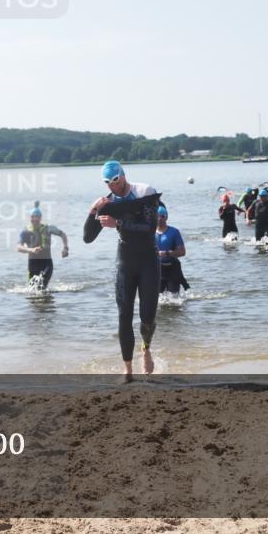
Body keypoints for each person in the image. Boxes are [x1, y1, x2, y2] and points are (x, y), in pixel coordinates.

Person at [83, 160, 161, 381]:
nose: (112, 186)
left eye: (115, 180)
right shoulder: (106, 202)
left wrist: (118, 224)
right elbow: (88, 238)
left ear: (123, 176)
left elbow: (149, 229)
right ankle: (127, 369)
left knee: (147, 316)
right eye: (107, 182)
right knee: (124, 315)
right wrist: (93, 210)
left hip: (148, 260)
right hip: (125, 262)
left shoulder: (144, 192)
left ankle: (146, 349)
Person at [17, 201, 69, 290]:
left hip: (46, 263)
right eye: (32, 217)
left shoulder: (48, 228)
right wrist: (31, 250)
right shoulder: (25, 231)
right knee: (32, 291)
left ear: (40, 218)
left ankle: (45, 302)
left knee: (42, 288)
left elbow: (63, 234)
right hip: (32, 264)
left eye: (37, 217)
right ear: (30, 218)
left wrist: (65, 248)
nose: (34, 220)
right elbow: (19, 247)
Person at [155, 206, 188, 294]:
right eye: (157, 216)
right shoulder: (150, 233)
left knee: (174, 299)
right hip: (157, 269)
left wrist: (167, 253)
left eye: (162, 216)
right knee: (157, 299)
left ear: (166, 217)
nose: (159, 218)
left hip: (172, 268)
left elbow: (182, 252)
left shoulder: (174, 232)